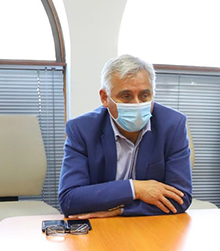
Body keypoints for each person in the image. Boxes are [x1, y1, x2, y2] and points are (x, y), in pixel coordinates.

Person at [58, 54, 192, 218]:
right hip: (102, 228)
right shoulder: (82, 129)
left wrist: (121, 210)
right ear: (105, 98)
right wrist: (135, 189)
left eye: (144, 95)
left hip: (150, 224)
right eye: (126, 96)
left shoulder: (172, 125)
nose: (137, 104)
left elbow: (180, 198)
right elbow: (69, 199)